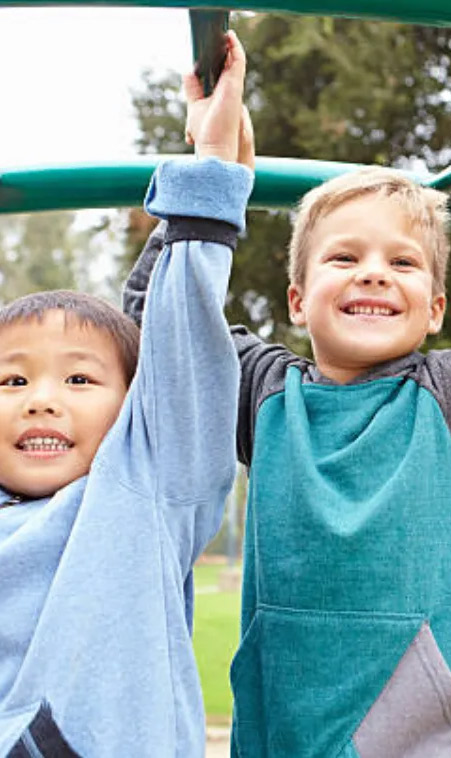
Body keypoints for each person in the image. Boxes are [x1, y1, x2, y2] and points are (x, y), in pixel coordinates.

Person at [124, 73, 451, 757]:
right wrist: (213, 175)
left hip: (435, 740)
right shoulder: (264, 394)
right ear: (296, 298)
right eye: (344, 257)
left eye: (402, 262)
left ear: (435, 308)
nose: (373, 273)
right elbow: (155, 334)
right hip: (290, 732)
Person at [0, 31, 253, 757]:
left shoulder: (141, 493)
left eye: (78, 379)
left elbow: (179, 357)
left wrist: (209, 173)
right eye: (12, 381)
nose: (41, 400)